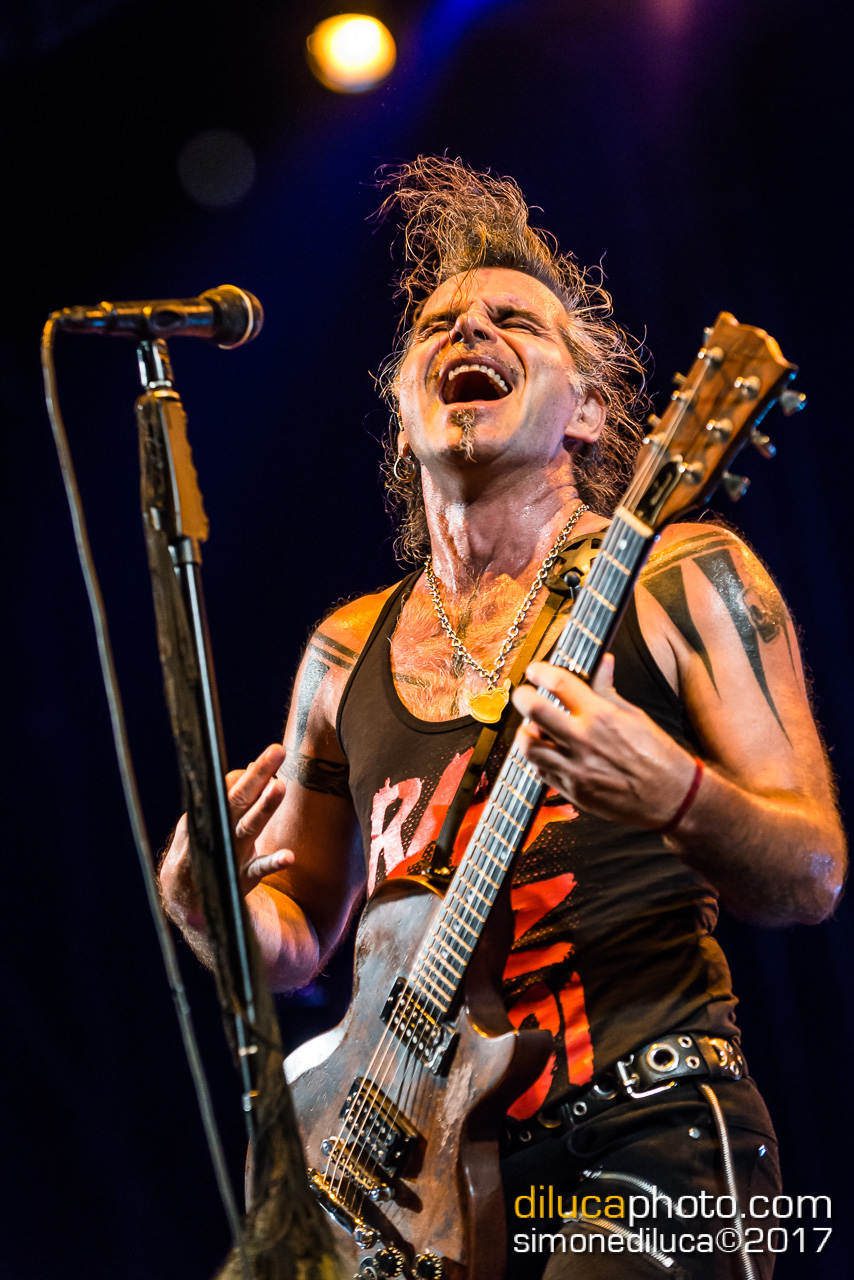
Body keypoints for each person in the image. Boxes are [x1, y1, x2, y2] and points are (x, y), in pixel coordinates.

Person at [159, 157, 845, 1278]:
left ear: (586, 412)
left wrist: (675, 794)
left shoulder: (683, 577)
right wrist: (211, 911)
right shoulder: (343, 651)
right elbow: (297, 944)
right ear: (399, 415)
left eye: (514, 322)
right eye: (437, 326)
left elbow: (810, 873)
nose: (468, 330)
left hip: (651, 1137)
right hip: (414, 1185)